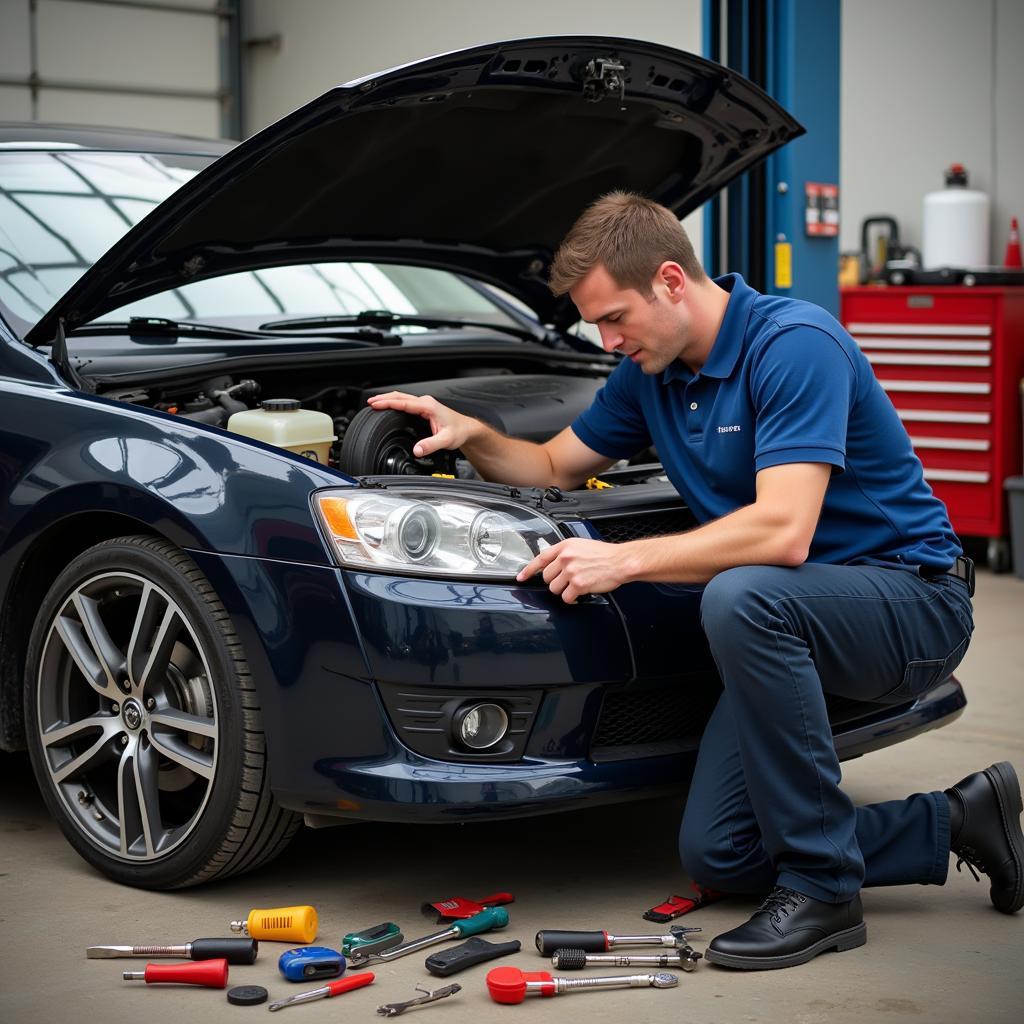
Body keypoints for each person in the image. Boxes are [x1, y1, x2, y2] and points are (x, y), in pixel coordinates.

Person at [367, 192, 1023, 969]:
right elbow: (551, 466)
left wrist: (627, 559)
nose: (608, 341)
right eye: (596, 326)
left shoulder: (794, 344)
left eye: (615, 318)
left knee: (743, 593)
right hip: (797, 618)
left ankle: (824, 890)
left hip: (909, 603)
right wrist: (474, 435)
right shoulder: (654, 372)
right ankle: (961, 819)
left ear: (671, 281)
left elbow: (784, 531)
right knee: (723, 852)